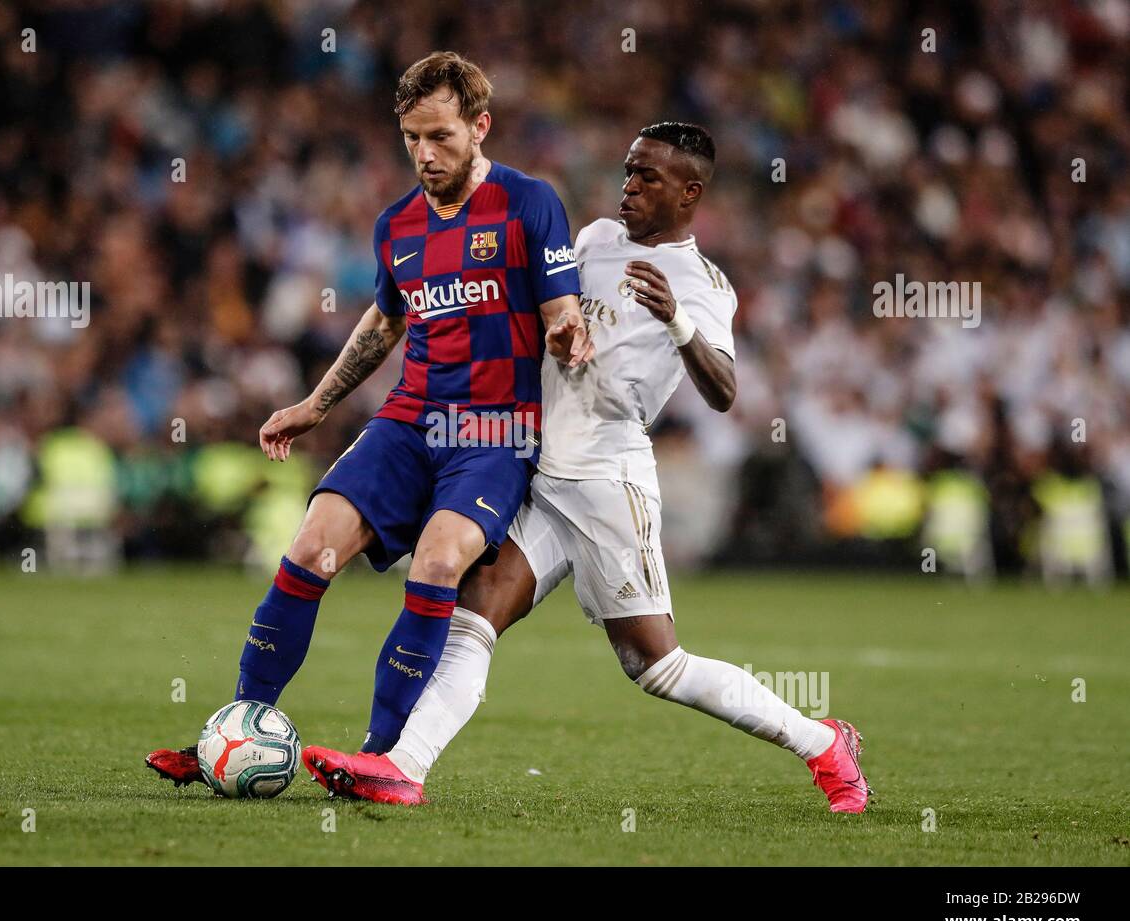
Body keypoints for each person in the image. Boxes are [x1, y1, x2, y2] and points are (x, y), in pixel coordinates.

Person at [300, 123, 871, 814]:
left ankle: (822, 744)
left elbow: (724, 392)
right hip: (542, 473)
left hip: (607, 482)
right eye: (629, 171)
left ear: (690, 193)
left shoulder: (703, 284)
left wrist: (678, 323)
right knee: (472, 619)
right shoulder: (597, 237)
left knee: (656, 666)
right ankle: (402, 768)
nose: (629, 187)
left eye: (648, 178)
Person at [146, 51, 593, 786]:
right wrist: (315, 404)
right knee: (311, 548)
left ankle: (379, 755)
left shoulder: (528, 202)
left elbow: (561, 306)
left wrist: (568, 330)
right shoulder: (397, 227)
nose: (424, 153)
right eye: (412, 136)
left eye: (442, 136)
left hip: (492, 431)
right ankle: (235, 729)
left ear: (481, 127)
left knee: (440, 560)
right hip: (410, 420)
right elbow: (386, 323)